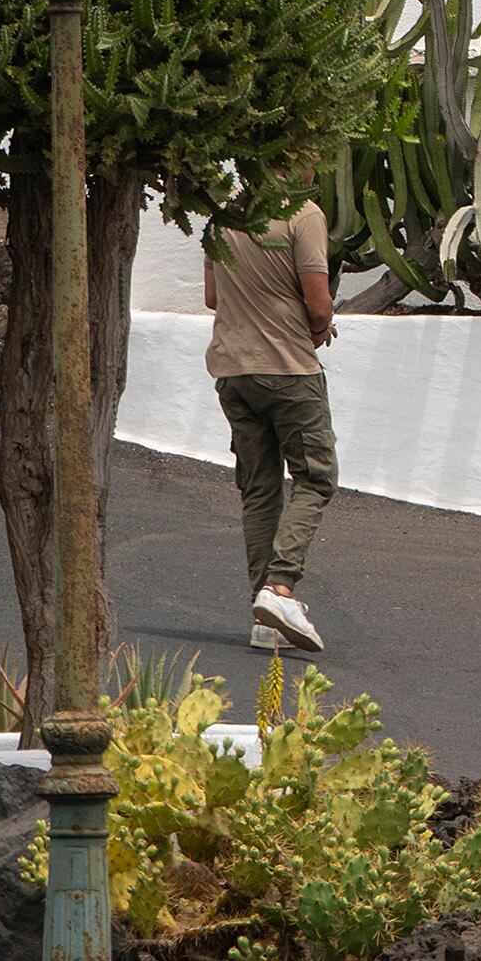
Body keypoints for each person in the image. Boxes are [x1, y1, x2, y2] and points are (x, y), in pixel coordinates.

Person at [203, 198, 339, 653]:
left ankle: (266, 621)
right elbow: (318, 305)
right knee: (315, 478)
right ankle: (279, 588)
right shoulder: (303, 215)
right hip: (289, 369)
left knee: (260, 487)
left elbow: (213, 296)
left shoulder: (222, 213)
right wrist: (319, 326)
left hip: (232, 369)